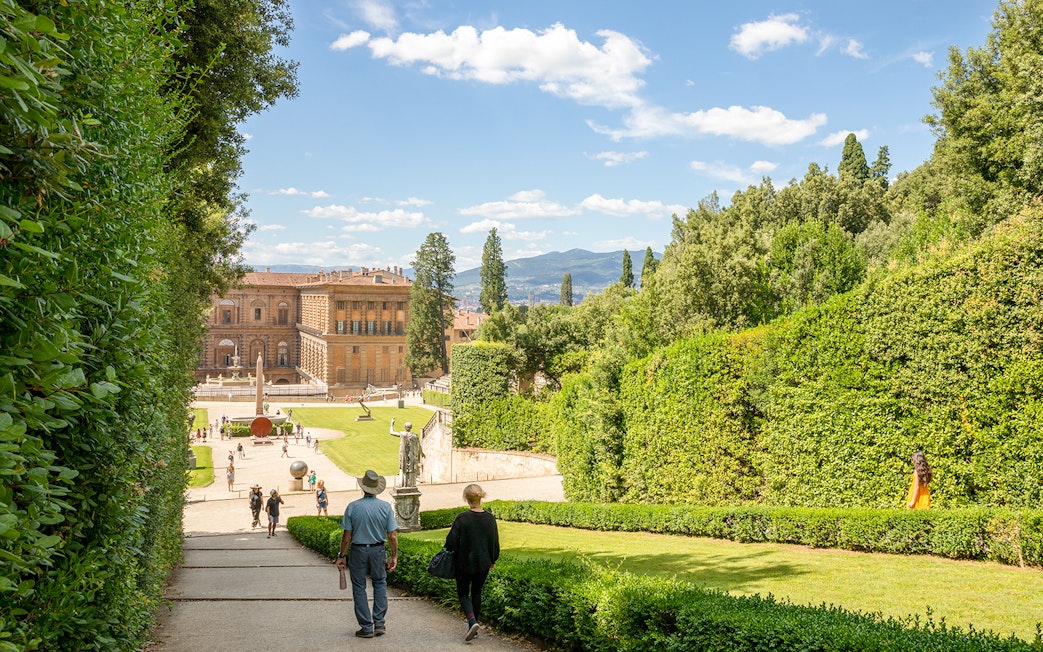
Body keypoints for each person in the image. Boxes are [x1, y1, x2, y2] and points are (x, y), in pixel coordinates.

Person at [335, 470, 398, 639]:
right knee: (379, 583)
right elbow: (392, 535)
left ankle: (366, 626)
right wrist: (394, 555)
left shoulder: (353, 507)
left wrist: (341, 555)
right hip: (378, 550)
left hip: (358, 550)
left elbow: (346, 537)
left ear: (363, 487)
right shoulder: (385, 507)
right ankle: (379, 623)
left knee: (359, 587)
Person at [445, 484, 500, 642]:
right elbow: (494, 542)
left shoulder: (462, 518)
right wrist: (493, 559)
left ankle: (472, 621)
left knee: (463, 593)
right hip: (483, 563)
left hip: (463, 563)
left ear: (466, 498)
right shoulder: (490, 518)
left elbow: (451, 542)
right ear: (480, 497)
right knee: (477, 592)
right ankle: (473, 629)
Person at [389, 418, 423, 487]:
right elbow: (419, 445)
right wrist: (421, 453)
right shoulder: (415, 435)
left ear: (405, 427)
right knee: (411, 470)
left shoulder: (402, 434)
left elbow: (392, 432)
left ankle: (403, 484)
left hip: (404, 456)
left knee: (404, 469)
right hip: (411, 456)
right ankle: (411, 484)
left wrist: (391, 424)